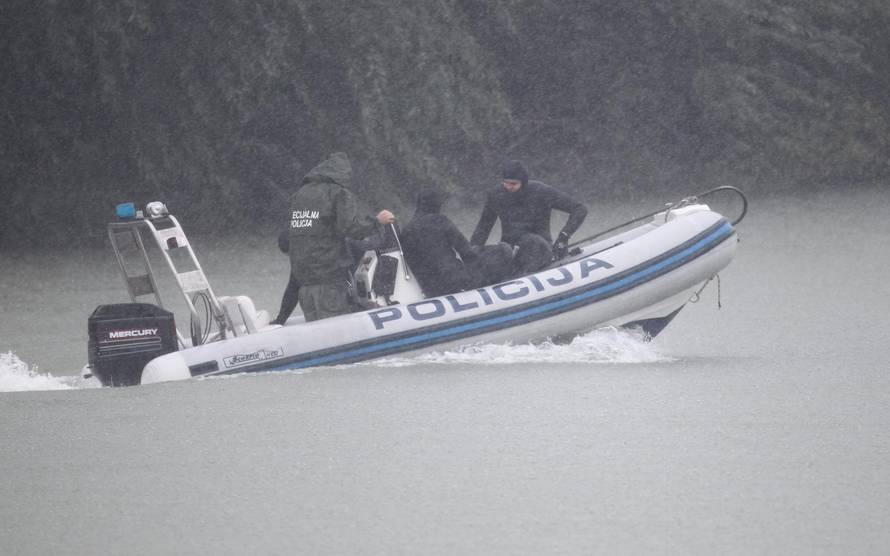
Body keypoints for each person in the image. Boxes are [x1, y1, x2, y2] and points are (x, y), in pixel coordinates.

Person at [287, 152, 394, 322]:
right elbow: (351, 228)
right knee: (335, 332)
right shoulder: (337, 193)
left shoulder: (300, 195)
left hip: (304, 284)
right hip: (329, 280)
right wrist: (377, 221)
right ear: (343, 174)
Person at [470, 160, 588, 275]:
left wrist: (563, 237)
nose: (508, 187)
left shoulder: (541, 191)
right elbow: (483, 228)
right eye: (505, 182)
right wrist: (472, 254)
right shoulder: (496, 195)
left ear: (523, 182)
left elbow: (579, 209)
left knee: (530, 241)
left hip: (539, 249)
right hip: (509, 251)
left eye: (513, 184)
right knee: (492, 254)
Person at [401, 187, 512, 298]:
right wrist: (479, 270)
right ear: (438, 204)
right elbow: (466, 252)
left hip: (430, 288)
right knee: (497, 253)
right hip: (455, 280)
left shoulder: (406, 231)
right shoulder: (440, 220)